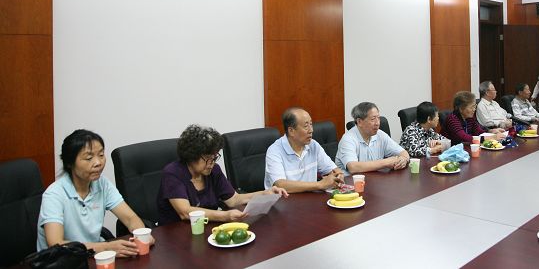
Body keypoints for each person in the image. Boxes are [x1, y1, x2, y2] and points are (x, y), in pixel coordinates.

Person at [37, 129, 154, 257]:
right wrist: (106, 247)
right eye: (89, 158)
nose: (98, 163)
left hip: (94, 256)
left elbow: (130, 218)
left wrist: (142, 235)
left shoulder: (102, 184)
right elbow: (56, 244)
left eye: (101, 155)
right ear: (69, 163)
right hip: (63, 261)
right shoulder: (54, 194)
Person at [157, 125, 288, 225]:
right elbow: (185, 212)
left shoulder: (213, 170)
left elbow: (234, 199)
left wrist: (265, 193)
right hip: (177, 232)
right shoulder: (173, 173)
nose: (211, 163)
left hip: (206, 228)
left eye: (214, 158)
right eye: (208, 159)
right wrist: (224, 216)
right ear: (191, 156)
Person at [264, 108, 344, 193]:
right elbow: (280, 185)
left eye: (311, 124)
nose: (311, 130)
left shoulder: (313, 145)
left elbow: (334, 170)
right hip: (284, 199)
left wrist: (338, 175)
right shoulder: (275, 151)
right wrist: (320, 184)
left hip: (310, 197)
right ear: (291, 131)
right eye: (306, 126)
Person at [335, 102, 409, 174]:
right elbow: (353, 167)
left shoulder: (380, 134)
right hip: (350, 181)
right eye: (373, 119)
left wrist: (403, 159)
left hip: (374, 179)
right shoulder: (348, 139)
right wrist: (386, 162)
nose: (377, 123)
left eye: (378, 118)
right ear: (359, 122)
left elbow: (403, 152)